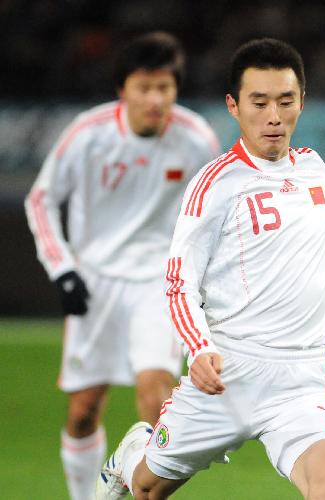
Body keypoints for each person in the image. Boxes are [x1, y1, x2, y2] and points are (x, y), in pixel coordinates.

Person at [96, 38, 325, 500]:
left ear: (301, 102)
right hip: (225, 374)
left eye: (285, 101)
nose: (273, 115)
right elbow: (178, 281)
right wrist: (198, 350)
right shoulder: (215, 185)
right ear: (234, 106)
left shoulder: (313, 169)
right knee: (147, 490)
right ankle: (133, 454)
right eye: (259, 102)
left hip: (301, 378)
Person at [24, 31, 219, 500]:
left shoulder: (196, 140)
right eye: (144, 88)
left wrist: (207, 285)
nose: (155, 99)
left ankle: (137, 484)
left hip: (158, 284)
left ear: (176, 89)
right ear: (122, 89)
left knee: (158, 401)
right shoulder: (88, 135)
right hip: (95, 283)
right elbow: (41, 200)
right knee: (84, 410)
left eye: (165, 89)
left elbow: (216, 216)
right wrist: (62, 269)